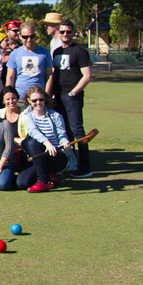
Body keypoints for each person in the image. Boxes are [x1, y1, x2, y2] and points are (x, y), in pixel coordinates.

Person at [51, 20, 93, 178]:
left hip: (72, 97)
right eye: (62, 32)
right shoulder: (56, 52)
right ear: (58, 33)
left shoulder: (80, 51)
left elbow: (87, 76)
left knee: (77, 130)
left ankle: (85, 166)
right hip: (58, 96)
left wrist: (73, 93)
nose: (65, 34)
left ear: (73, 32)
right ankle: (70, 163)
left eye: (68, 31)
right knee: (64, 132)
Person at [17, 86, 72, 192]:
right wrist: (47, 143)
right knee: (22, 183)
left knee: (31, 143)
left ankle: (43, 181)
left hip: (55, 155)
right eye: (34, 100)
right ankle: (49, 176)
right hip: (38, 156)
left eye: (41, 99)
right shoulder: (27, 115)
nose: (38, 103)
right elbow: (33, 131)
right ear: (28, 101)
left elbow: (62, 135)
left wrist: (65, 142)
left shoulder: (56, 115)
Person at [6, 22, 54, 100]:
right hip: (20, 96)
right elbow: (10, 77)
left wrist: (47, 95)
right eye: (25, 37)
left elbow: (49, 75)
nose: (29, 40)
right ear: (20, 36)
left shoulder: (44, 52)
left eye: (32, 36)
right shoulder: (14, 54)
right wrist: (9, 97)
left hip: (39, 97)